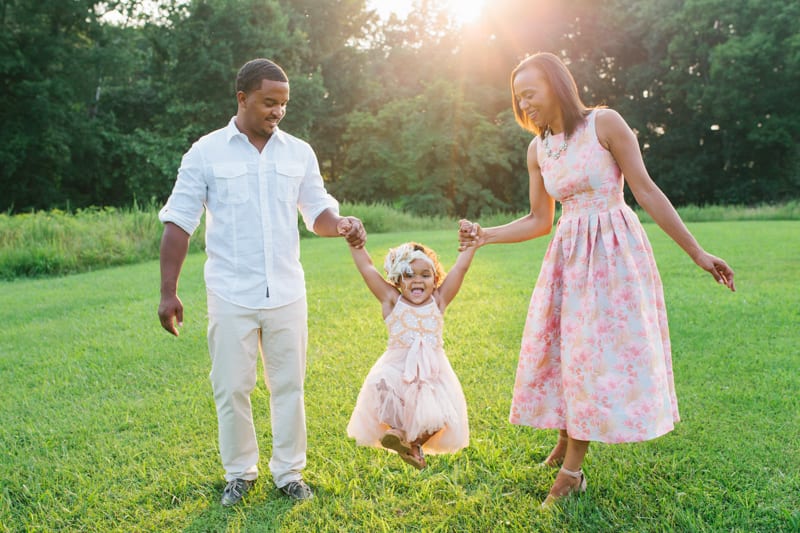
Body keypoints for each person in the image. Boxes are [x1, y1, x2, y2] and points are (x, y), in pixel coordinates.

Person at [458, 52, 736, 508]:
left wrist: (697, 252)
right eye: (518, 97)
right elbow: (537, 220)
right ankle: (567, 437)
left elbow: (645, 189)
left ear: (557, 86)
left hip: (612, 253)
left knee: (589, 353)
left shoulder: (604, 124)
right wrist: (485, 236)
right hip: (567, 256)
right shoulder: (538, 150)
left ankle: (572, 472)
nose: (523, 103)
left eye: (531, 93)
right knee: (568, 350)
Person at [157, 58, 366, 505]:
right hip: (231, 292)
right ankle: (240, 473)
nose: (278, 112)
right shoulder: (205, 153)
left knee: (289, 385)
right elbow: (178, 223)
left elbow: (318, 213)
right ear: (242, 98)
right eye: (270, 103)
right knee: (231, 386)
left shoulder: (298, 153)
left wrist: (342, 222)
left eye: (284, 105)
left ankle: (289, 474)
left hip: (287, 293)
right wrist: (167, 291)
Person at [342, 232, 475, 469]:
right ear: (397, 280)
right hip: (397, 368)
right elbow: (368, 270)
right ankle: (398, 432)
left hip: (432, 372)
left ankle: (412, 445)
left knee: (440, 416)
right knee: (384, 387)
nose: (417, 280)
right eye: (409, 275)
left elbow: (460, 270)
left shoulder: (439, 300)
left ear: (435, 280)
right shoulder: (392, 300)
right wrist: (355, 245)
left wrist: (471, 246)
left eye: (425, 275)